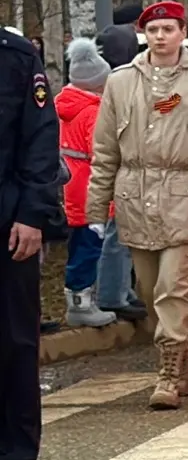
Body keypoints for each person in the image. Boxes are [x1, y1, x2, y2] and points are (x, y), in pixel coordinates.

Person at [86, 2, 188, 409]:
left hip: (185, 192)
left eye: (168, 29)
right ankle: (185, 354)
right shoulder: (121, 82)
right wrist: (95, 209)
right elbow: (105, 149)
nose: (160, 36)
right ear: (144, 34)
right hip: (135, 195)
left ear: (183, 33)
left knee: (173, 288)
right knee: (149, 290)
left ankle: (168, 373)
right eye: (153, 30)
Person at [0, 20, 59, 460]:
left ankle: (15, 446)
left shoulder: (16, 57)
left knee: (14, 335)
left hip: (8, 218)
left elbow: (40, 141)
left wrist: (33, 214)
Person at [56, 39, 116, 328]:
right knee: (90, 248)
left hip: (71, 184)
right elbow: (102, 151)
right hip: (91, 187)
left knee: (79, 245)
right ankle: (81, 303)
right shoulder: (93, 111)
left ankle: (79, 300)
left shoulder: (62, 105)